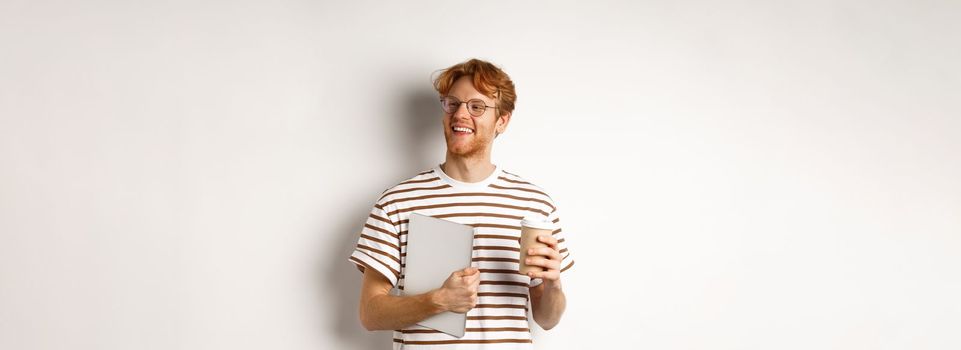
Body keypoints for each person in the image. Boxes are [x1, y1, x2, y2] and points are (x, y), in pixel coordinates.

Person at [348, 58, 574, 349]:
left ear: (502, 120)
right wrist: (439, 300)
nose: (460, 114)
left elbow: (548, 319)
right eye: (452, 103)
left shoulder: (534, 205)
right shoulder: (397, 202)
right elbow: (370, 314)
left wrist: (553, 284)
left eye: (477, 106)